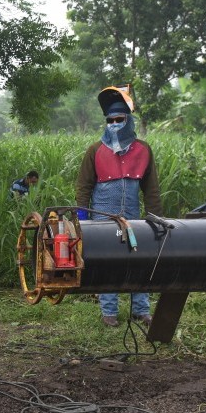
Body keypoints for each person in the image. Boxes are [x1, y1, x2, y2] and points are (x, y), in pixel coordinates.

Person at [75, 86, 163, 328]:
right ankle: (109, 312)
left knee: (139, 262)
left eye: (119, 119)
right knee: (108, 263)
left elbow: (151, 189)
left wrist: (156, 219)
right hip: (102, 219)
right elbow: (83, 187)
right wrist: (82, 219)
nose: (114, 123)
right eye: (110, 120)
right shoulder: (95, 150)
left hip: (134, 218)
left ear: (128, 120)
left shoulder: (143, 150)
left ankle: (140, 310)